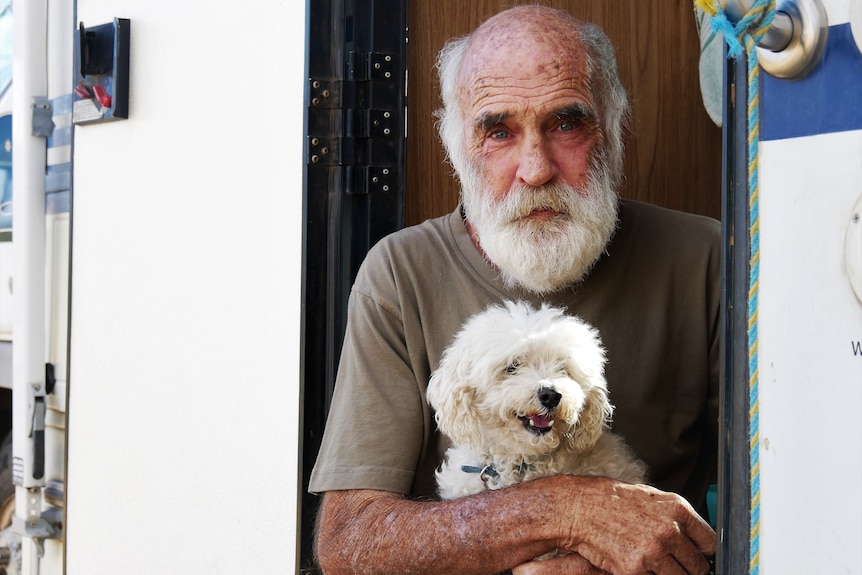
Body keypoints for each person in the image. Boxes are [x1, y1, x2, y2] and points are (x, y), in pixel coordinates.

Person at [309, 5, 720, 574]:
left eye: (566, 123)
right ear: (459, 149)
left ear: (616, 130)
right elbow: (349, 545)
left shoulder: (707, 259)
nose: (535, 169)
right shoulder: (399, 273)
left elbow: (787, 482)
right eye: (498, 130)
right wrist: (566, 510)